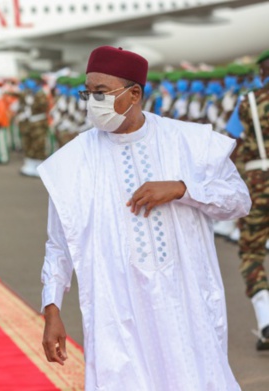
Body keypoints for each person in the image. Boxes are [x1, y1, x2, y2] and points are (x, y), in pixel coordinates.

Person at [38, 46, 250, 390]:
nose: (92, 102)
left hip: (187, 309)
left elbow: (239, 201)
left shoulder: (187, 141)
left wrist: (182, 188)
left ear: (134, 93)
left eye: (101, 93)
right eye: (87, 93)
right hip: (117, 312)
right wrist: (51, 309)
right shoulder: (73, 161)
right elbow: (58, 243)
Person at [232, 49, 269, 350]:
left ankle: (267, 321)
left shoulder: (249, 102)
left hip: (258, 184)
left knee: (252, 252)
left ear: (261, 73)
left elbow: (234, 142)